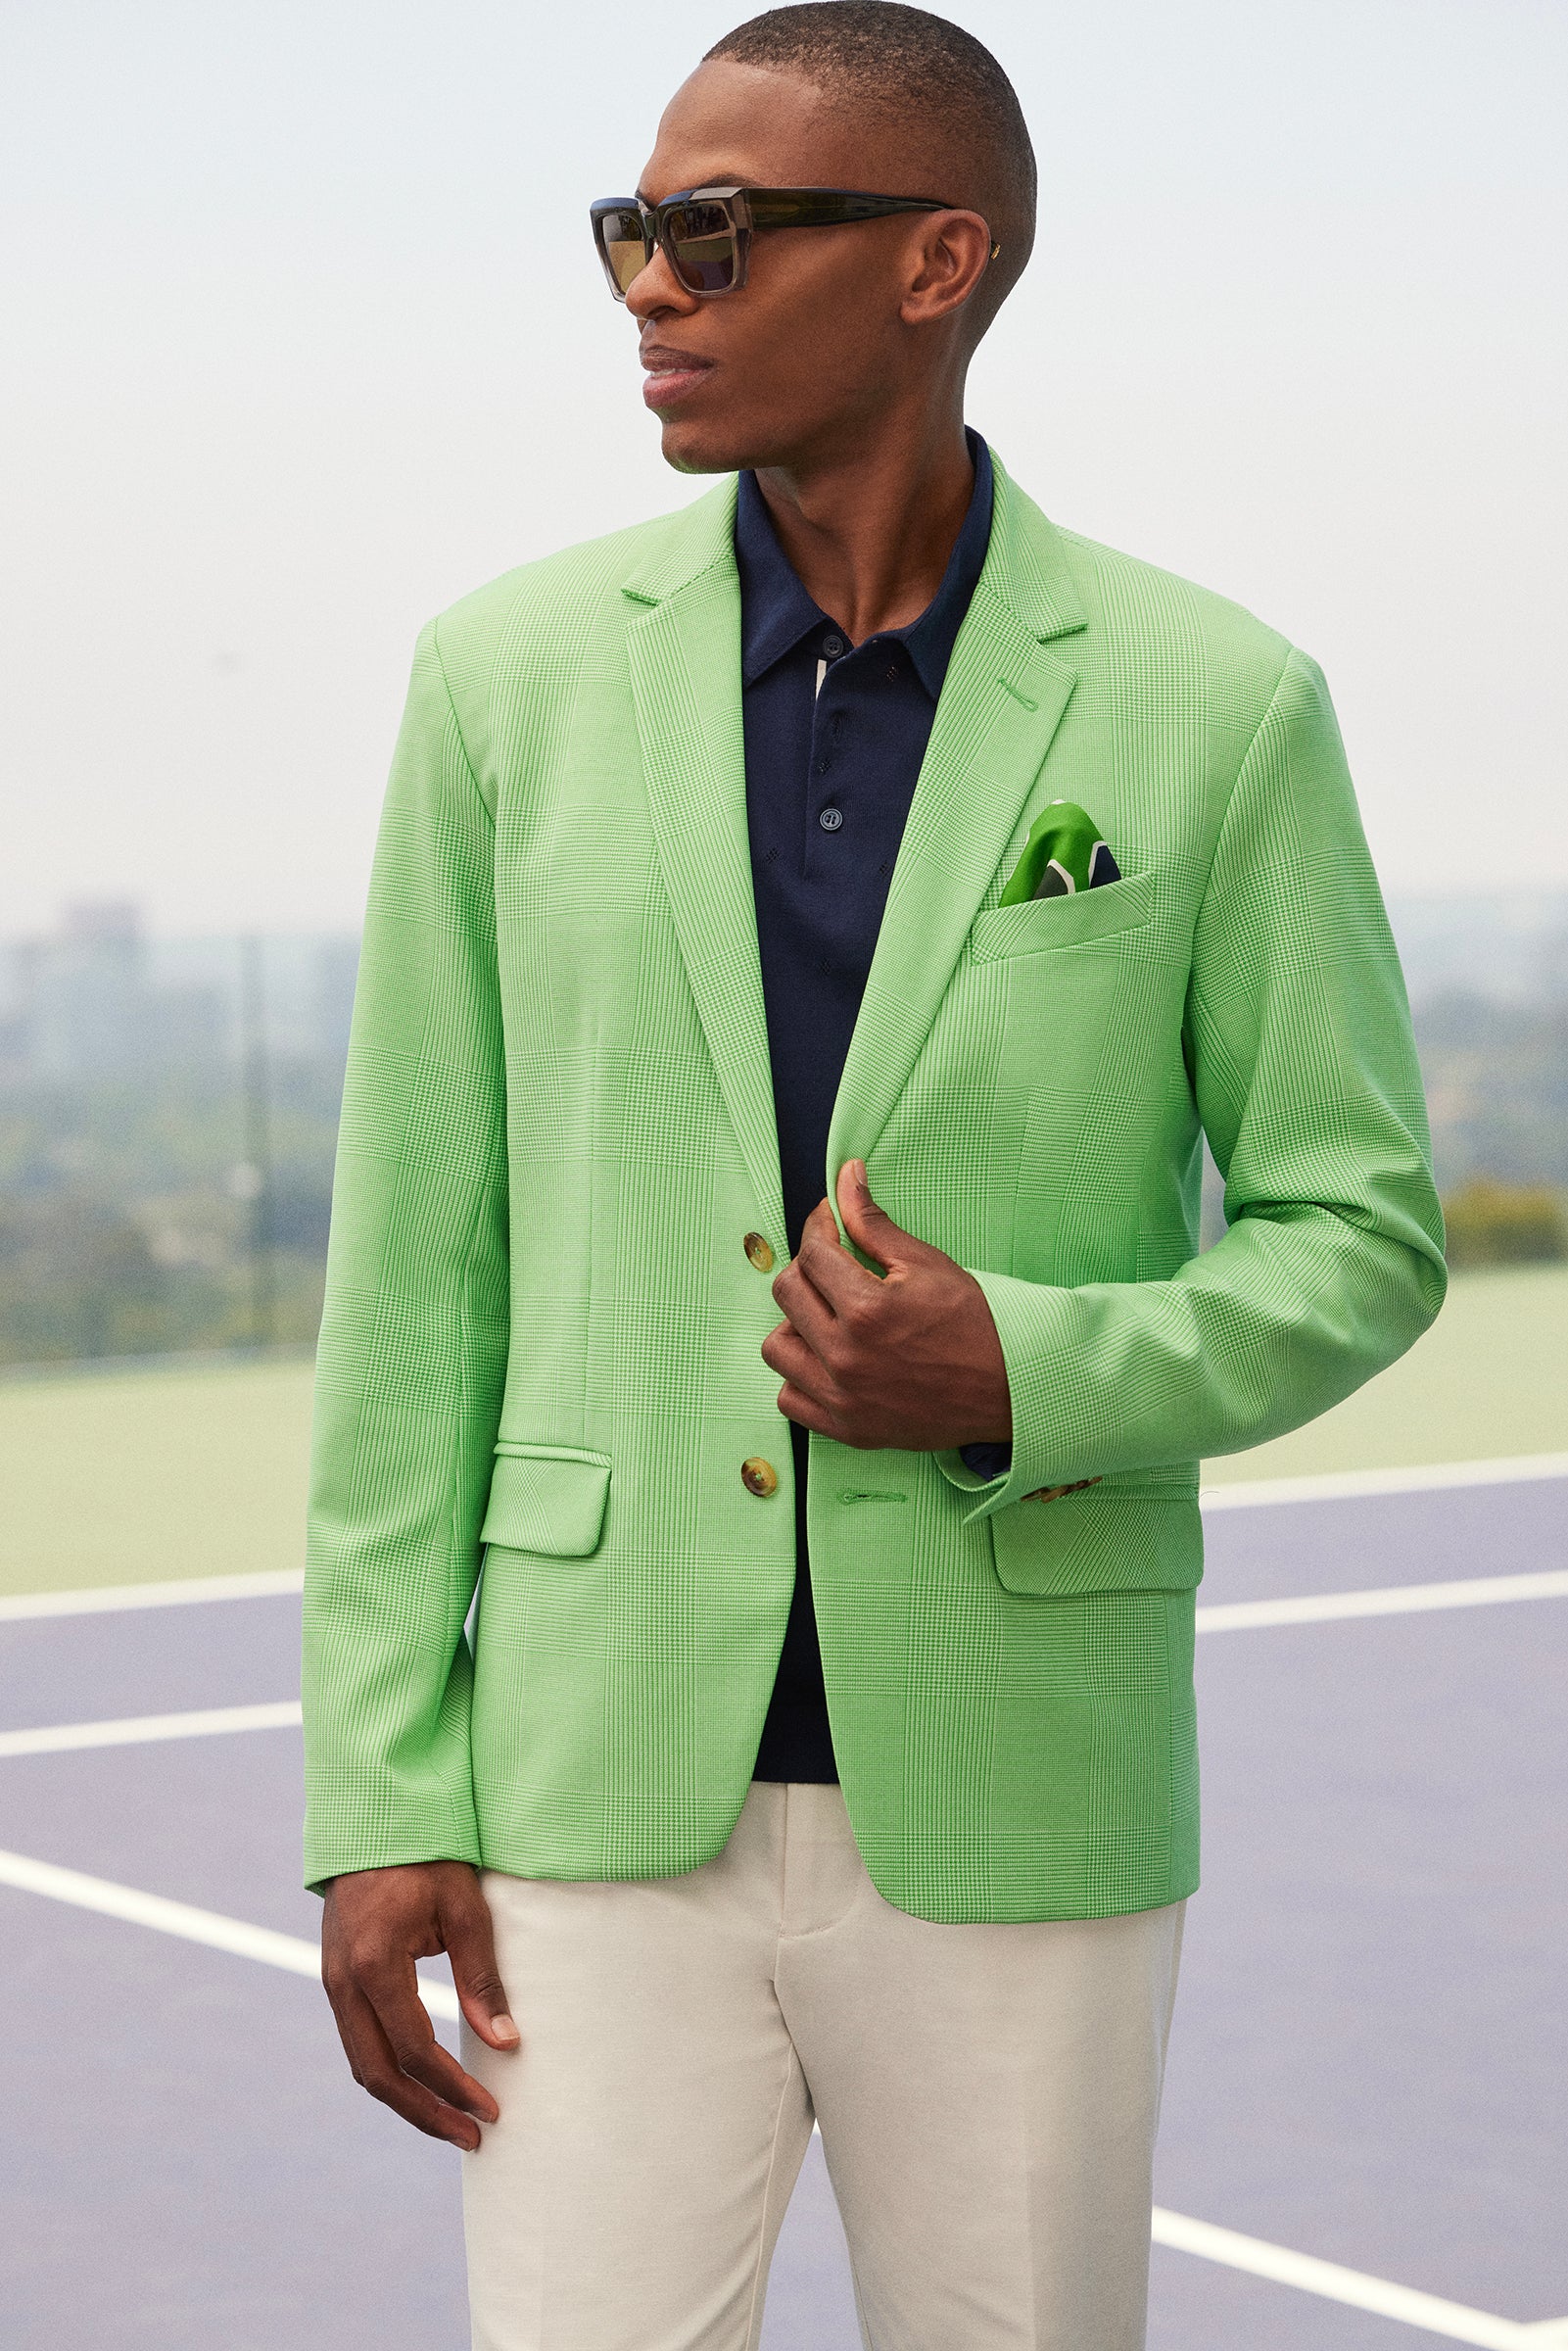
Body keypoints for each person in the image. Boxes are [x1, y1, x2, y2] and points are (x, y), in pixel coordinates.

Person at [301, 7, 1446, 2346]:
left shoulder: (1213, 704)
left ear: (941, 259)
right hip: (589, 1786)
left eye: (715, 230)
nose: (651, 284)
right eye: (632, 228)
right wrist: (375, 1783)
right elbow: (420, 1270)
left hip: (1026, 1783)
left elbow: (1361, 1230)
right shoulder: (500, 686)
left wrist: (1019, 1361)